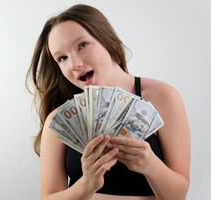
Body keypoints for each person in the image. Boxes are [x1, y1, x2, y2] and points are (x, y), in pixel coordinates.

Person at [26, 4, 190, 200]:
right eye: (62, 58)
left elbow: (178, 196)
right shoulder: (59, 119)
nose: (74, 64)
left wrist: (150, 165)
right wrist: (86, 186)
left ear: (108, 41)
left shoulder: (163, 97)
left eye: (82, 45)